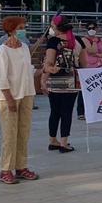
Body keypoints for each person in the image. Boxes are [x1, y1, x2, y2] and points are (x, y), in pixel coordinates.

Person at [0, 17, 39, 184]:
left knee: (24, 132)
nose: (23, 30)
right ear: (11, 30)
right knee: (9, 134)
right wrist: (9, 98)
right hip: (9, 96)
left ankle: (21, 166)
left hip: (26, 93)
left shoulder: (25, 47)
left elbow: (28, 71)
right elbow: (1, 76)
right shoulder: (2, 50)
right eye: (20, 27)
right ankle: (5, 169)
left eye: (24, 27)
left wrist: (45, 70)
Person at [40, 21, 83, 153]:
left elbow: (49, 62)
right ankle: (64, 142)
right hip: (72, 81)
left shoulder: (53, 41)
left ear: (58, 28)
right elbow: (84, 63)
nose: (51, 29)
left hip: (55, 80)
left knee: (55, 111)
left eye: (53, 26)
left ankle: (53, 140)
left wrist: (43, 80)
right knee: (67, 112)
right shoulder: (78, 40)